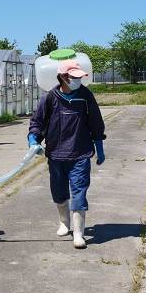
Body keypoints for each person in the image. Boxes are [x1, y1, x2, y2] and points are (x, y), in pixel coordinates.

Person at [27, 59, 106, 249]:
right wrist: (33, 139)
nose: (78, 81)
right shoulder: (50, 97)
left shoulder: (85, 96)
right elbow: (37, 122)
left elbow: (95, 121)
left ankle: (79, 234)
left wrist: (99, 145)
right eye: (74, 77)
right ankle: (64, 222)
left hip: (80, 153)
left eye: (79, 77)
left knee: (79, 192)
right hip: (56, 154)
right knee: (59, 192)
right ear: (63, 77)